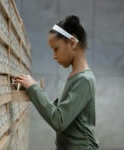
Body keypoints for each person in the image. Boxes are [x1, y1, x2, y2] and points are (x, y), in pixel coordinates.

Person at [14, 14, 100, 150]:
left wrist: (33, 89)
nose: (54, 56)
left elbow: (58, 120)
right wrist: (32, 89)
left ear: (72, 43)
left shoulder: (84, 80)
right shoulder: (75, 76)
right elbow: (55, 109)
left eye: (56, 49)